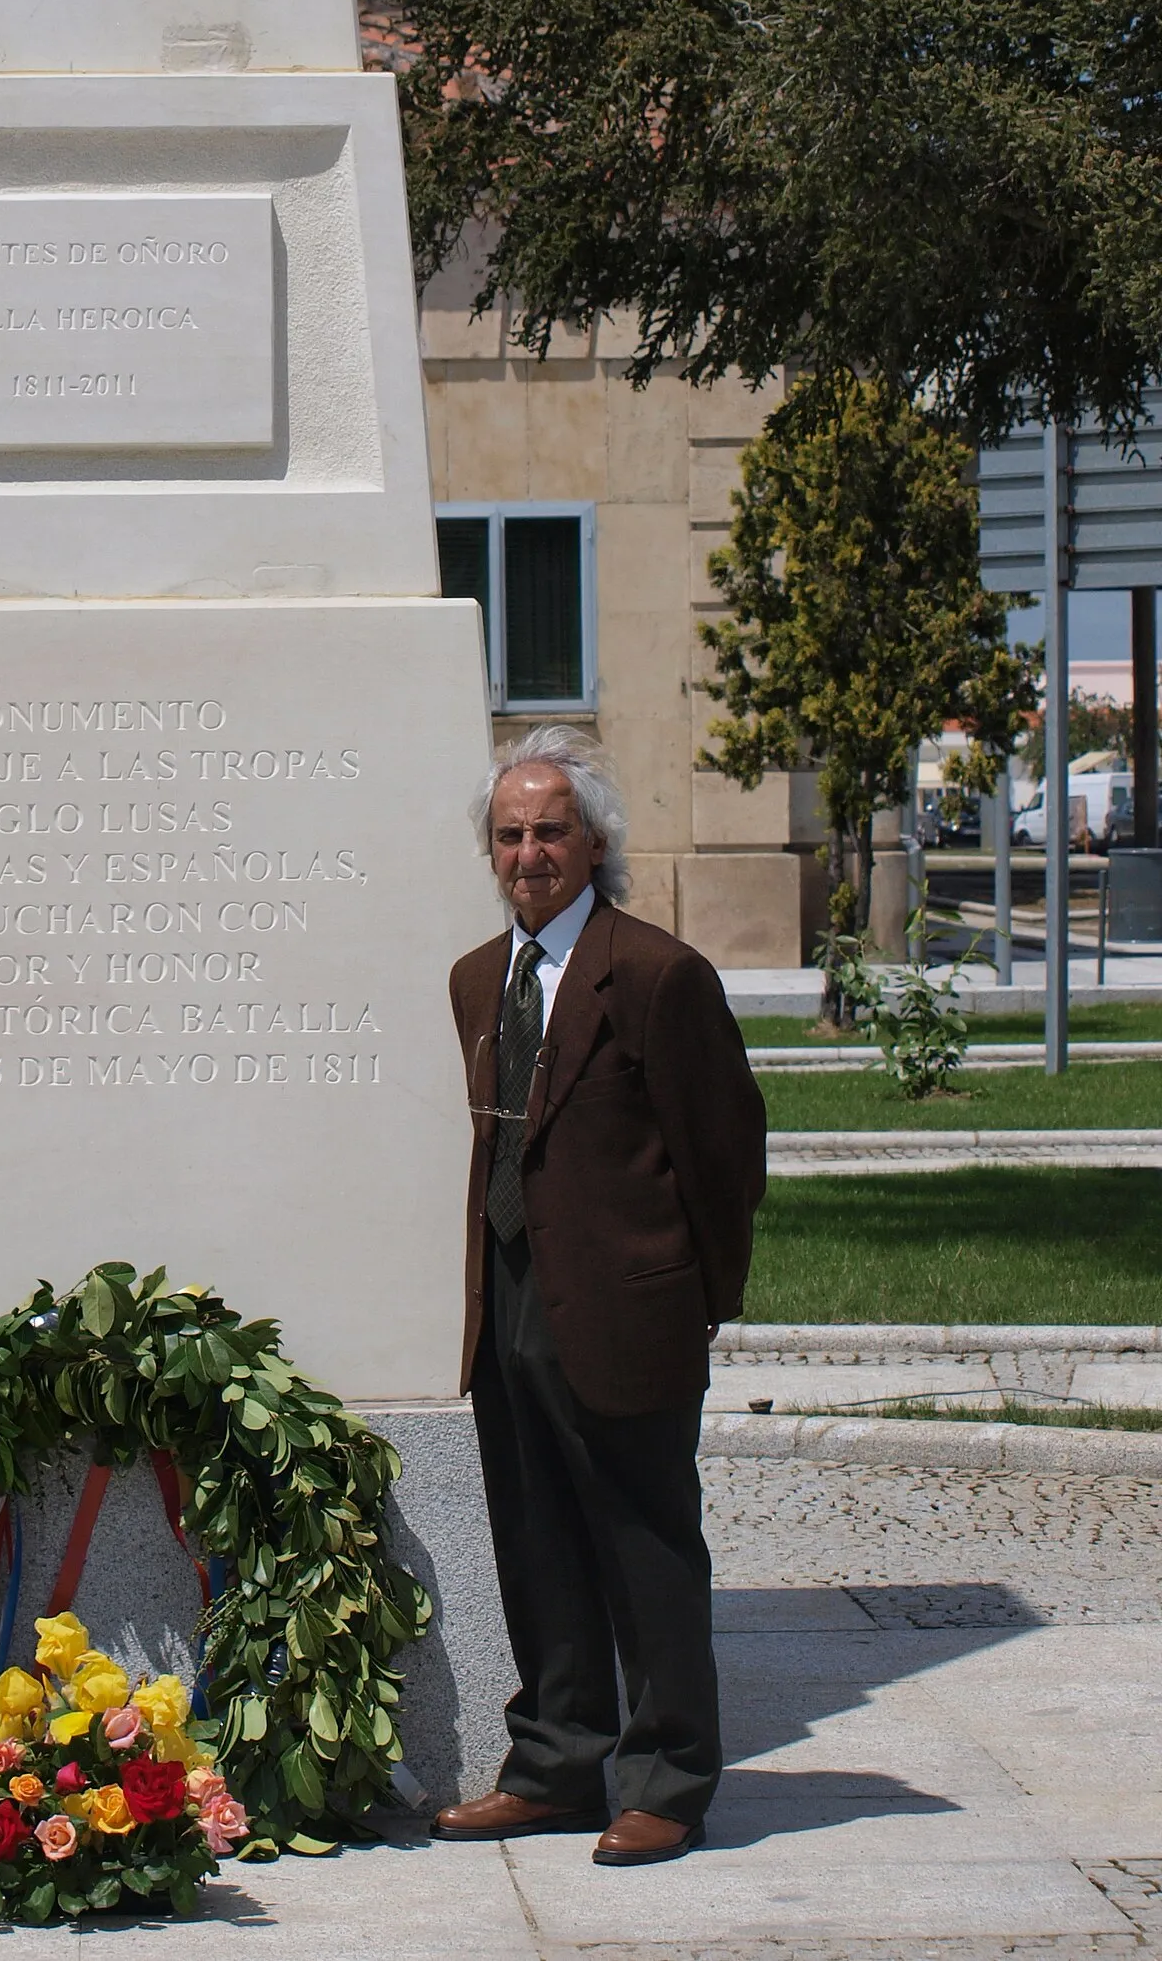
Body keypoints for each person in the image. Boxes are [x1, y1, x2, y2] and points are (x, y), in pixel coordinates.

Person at [432, 725, 767, 1868]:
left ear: (592, 843)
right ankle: (555, 1764)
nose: (530, 852)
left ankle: (667, 1777)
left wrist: (697, 1294)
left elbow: (722, 1149)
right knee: (534, 1540)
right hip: (510, 1297)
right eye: (511, 833)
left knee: (644, 1548)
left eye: (551, 830)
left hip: (628, 1308)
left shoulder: (657, 972)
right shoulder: (476, 976)